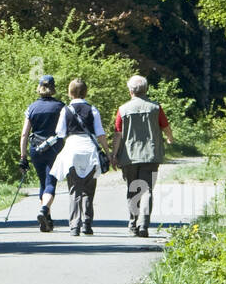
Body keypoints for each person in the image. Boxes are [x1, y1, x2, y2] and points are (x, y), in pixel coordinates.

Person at [111, 75, 174, 237]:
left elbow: (118, 134)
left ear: (130, 91)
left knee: (133, 189)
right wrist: (169, 138)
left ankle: (133, 223)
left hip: (129, 156)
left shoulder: (123, 109)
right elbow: (165, 126)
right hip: (150, 155)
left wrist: (114, 154)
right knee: (146, 190)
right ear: (146, 90)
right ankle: (143, 224)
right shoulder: (155, 108)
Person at [49, 78, 109, 236]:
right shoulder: (92, 109)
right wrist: (109, 153)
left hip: (72, 151)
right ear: (86, 92)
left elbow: (60, 133)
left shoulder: (66, 110)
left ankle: (74, 226)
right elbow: (100, 133)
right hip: (90, 151)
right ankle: (87, 224)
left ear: (70, 92)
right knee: (88, 190)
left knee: (74, 190)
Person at [19, 75, 64, 231]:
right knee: (51, 182)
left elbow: (24, 134)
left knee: (42, 182)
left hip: (36, 149)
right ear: (53, 88)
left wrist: (23, 156)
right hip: (54, 149)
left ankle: (47, 220)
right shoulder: (60, 107)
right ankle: (44, 209)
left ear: (39, 87)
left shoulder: (32, 108)